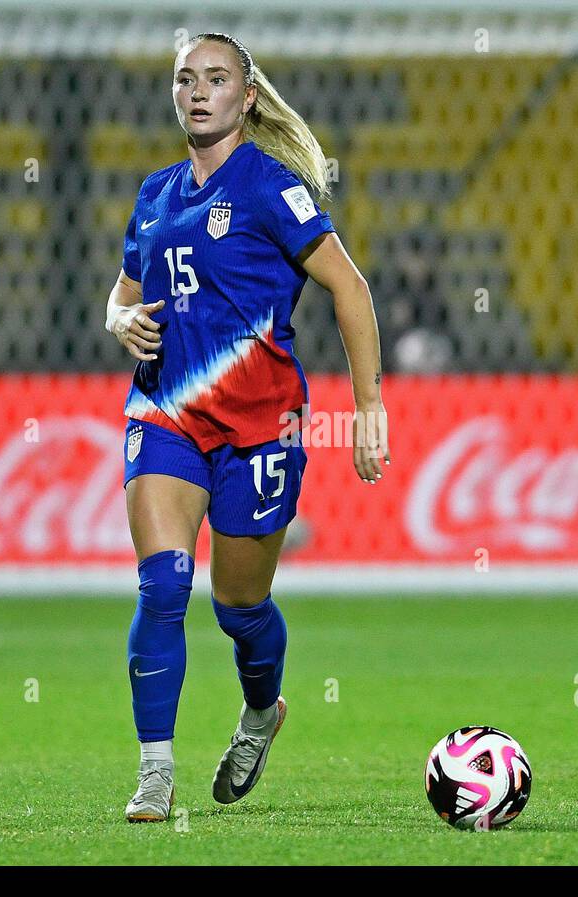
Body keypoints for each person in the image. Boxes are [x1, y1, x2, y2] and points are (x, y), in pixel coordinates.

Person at [104, 32, 391, 822]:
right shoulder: (155, 195)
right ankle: (155, 772)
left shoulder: (271, 189)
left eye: (217, 79)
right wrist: (120, 321)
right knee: (164, 583)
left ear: (248, 96)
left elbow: (352, 290)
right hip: (165, 415)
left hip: (262, 430)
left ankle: (262, 711)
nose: (199, 92)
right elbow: (119, 296)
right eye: (186, 79)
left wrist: (370, 410)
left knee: (239, 608)